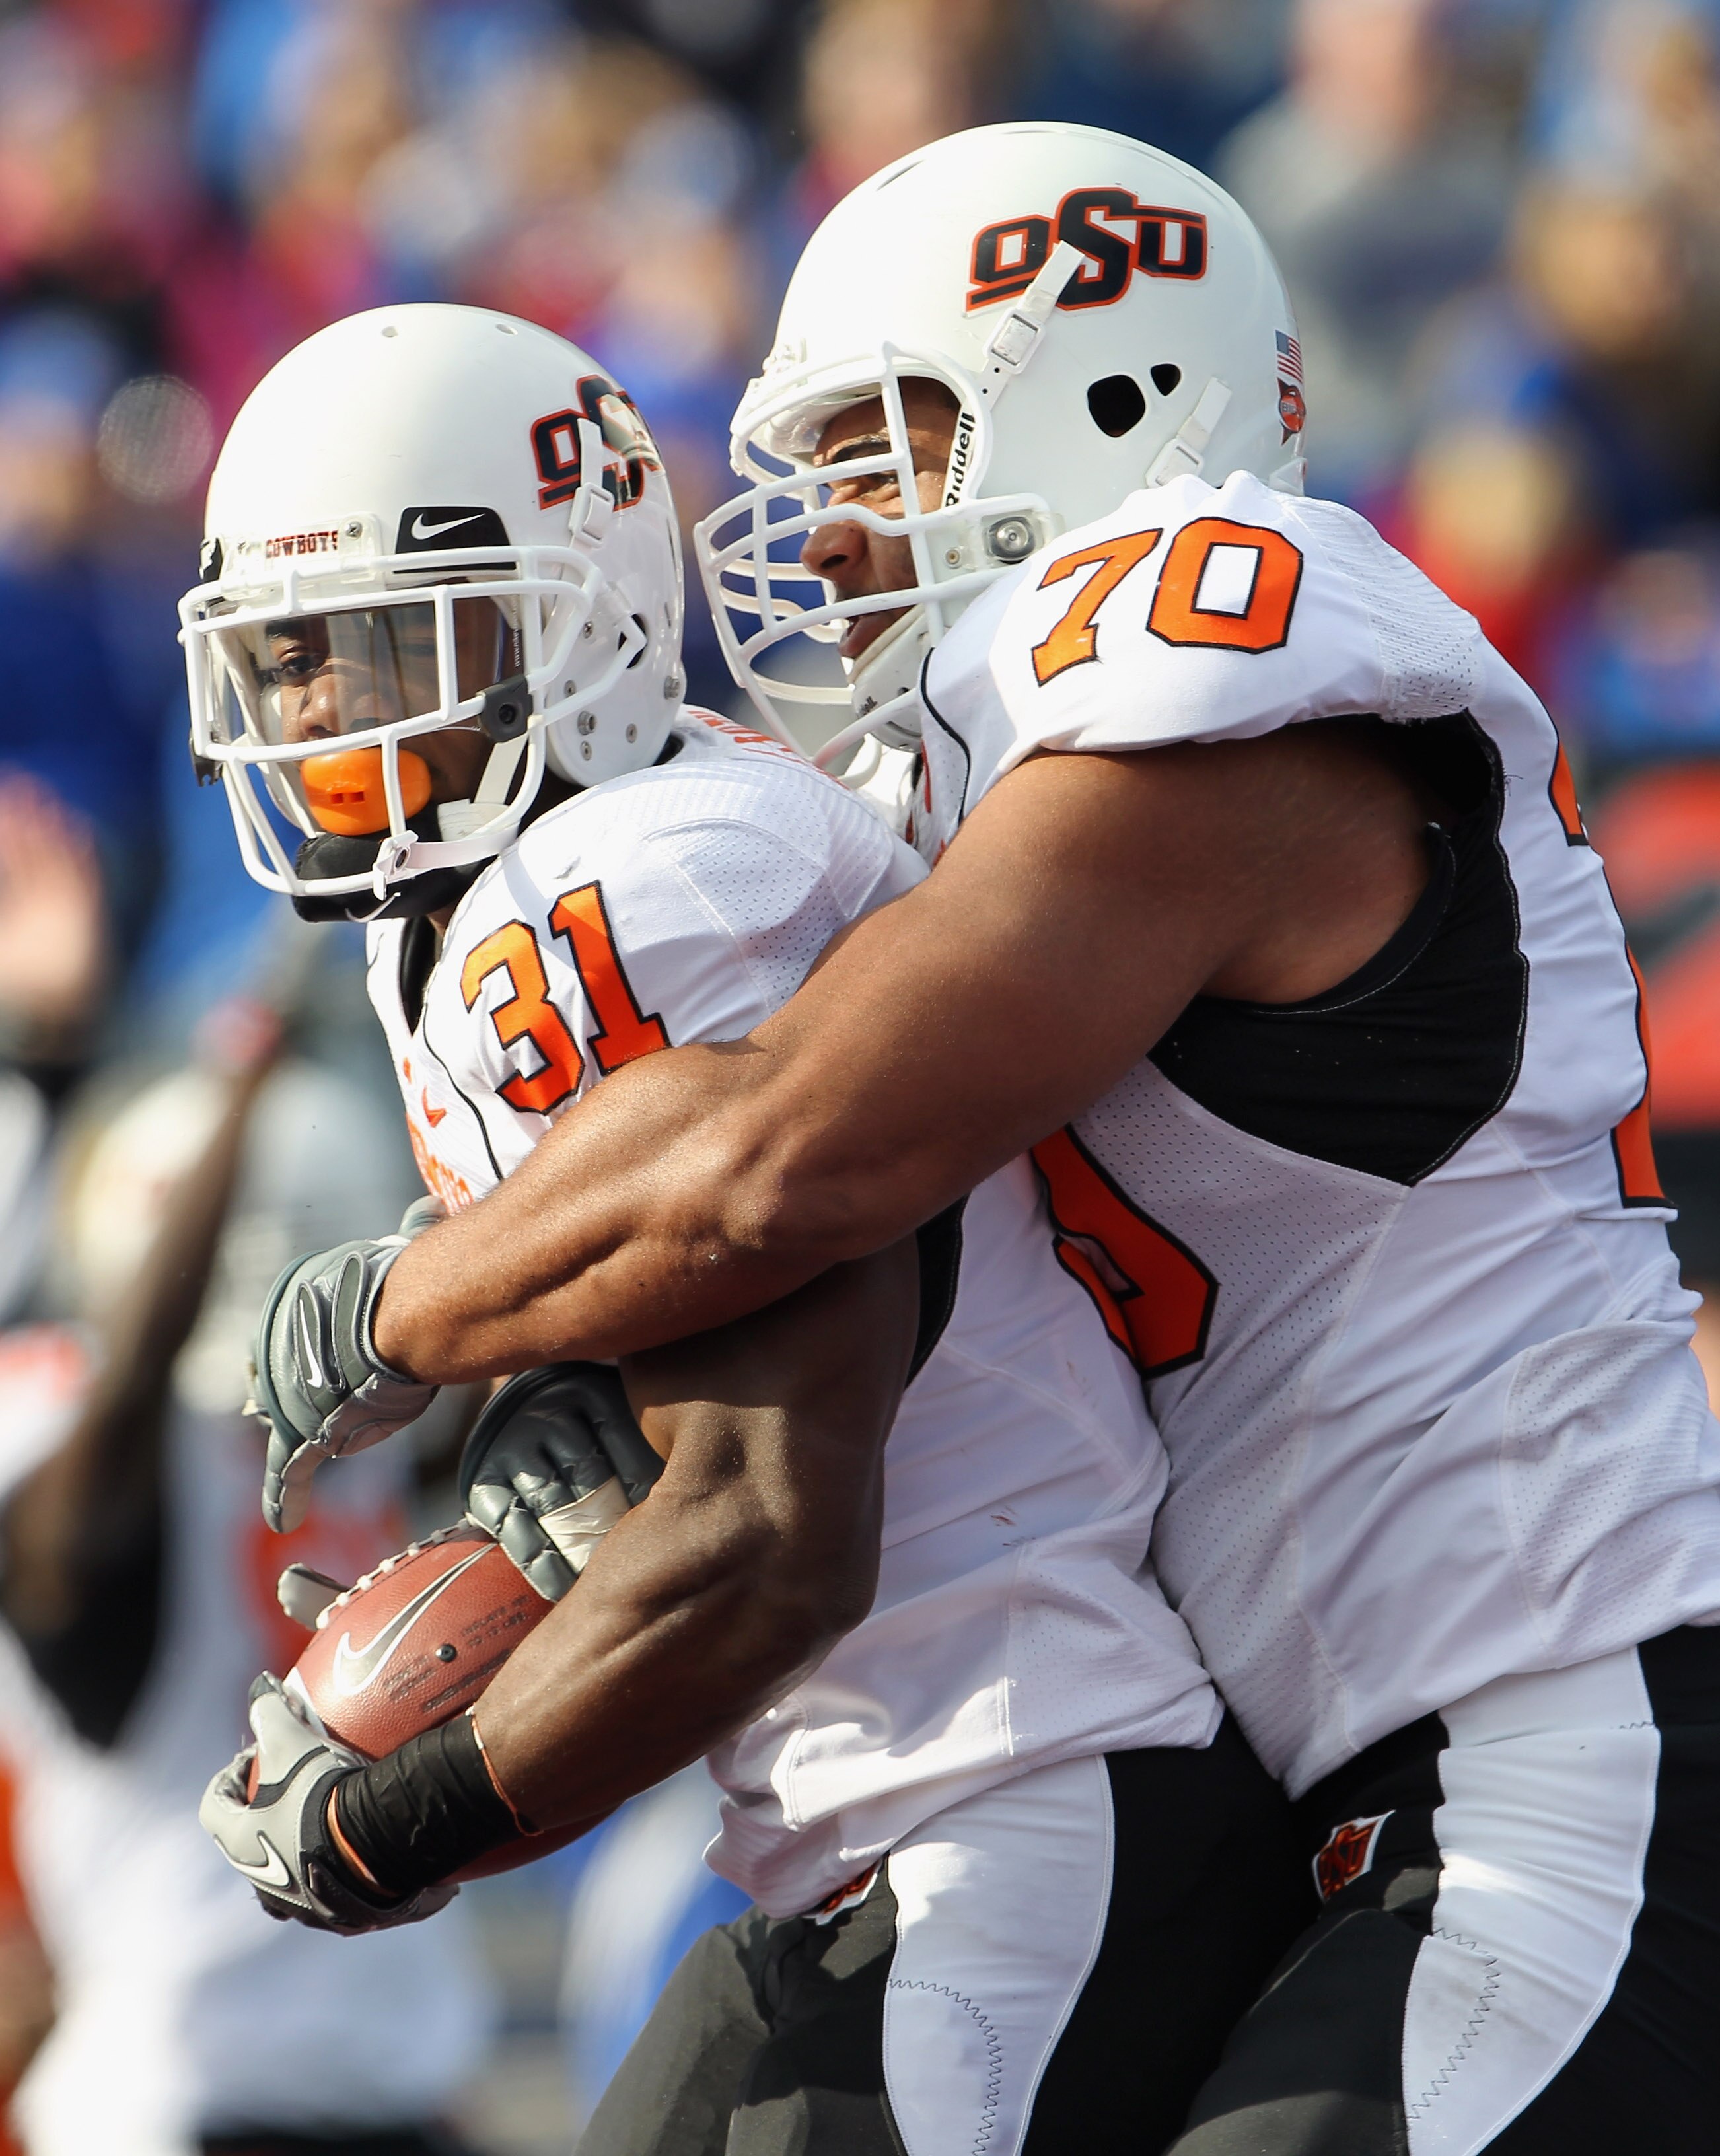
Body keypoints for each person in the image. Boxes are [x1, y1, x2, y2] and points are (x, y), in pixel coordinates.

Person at [250, 127, 1720, 2154]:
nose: (832, 535)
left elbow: (784, 1158)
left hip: (1566, 1716)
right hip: (1351, 1781)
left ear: (1117, 395)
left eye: (887, 447)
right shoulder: (961, 764)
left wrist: (407, 1306)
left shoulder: (1225, 646)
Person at [190, 304, 1307, 2156]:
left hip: (1015, 1799)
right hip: (908, 1822)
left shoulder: (643, 877)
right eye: (290, 656)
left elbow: (768, 1537)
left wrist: (414, 1816)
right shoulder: (542, 884)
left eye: (392, 642)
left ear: (582, 615)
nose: (325, 712)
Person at [0, 993, 496, 2156]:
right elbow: (125, 1408)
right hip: (177, 2093)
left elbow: (488, 1332)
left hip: (393, 2078)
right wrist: (241, 1093)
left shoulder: (362, 1462)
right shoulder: (85, 1479)